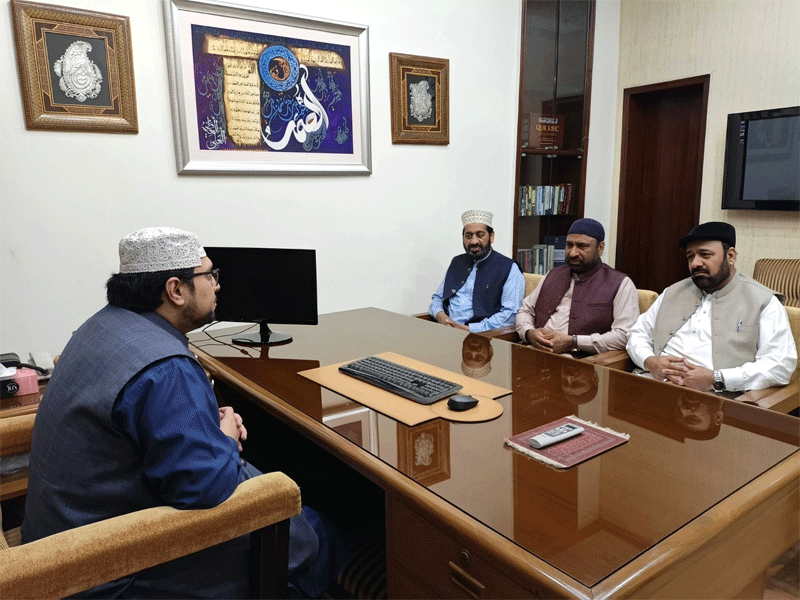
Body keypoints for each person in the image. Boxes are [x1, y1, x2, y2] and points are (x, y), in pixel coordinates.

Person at [22, 227, 342, 598]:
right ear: (175, 290)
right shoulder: (166, 369)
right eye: (209, 275)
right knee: (317, 534)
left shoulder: (99, 327)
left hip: (56, 542)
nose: (217, 285)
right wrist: (224, 435)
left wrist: (201, 417)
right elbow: (205, 490)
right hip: (110, 570)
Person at [626, 221, 797, 393]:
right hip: (652, 385)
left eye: (705, 255)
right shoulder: (672, 292)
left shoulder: (763, 301)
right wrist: (649, 361)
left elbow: (780, 365)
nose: (695, 264)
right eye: (690, 257)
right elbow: (637, 333)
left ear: (731, 256)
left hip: (713, 400)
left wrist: (716, 379)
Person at [515, 218, 639, 355]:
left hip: (579, 363)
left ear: (600, 248)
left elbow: (624, 335)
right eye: (569, 245)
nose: (573, 253)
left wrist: (573, 342)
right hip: (534, 352)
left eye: (582, 246)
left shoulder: (620, 283)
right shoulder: (553, 274)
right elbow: (525, 310)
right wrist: (528, 332)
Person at [429, 209, 525, 332]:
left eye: (480, 235)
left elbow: (510, 316)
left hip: (482, 338)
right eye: (468, 236)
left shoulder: (509, 268)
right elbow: (438, 298)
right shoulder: (457, 262)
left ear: (491, 236)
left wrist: (471, 329)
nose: (473, 241)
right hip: (446, 331)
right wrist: (440, 315)